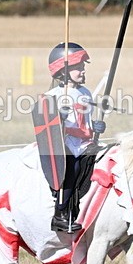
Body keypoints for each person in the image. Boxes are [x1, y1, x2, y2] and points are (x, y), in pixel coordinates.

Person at [45, 42, 106, 232]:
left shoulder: (85, 93)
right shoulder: (54, 95)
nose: (83, 71)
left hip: (85, 143)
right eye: (78, 67)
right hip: (66, 145)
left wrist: (97, 127)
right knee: (71, 168)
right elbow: (46, 125)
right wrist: (58, 118)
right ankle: (60, 213)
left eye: (83, 67)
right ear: (63, 70)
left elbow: (86, 121)